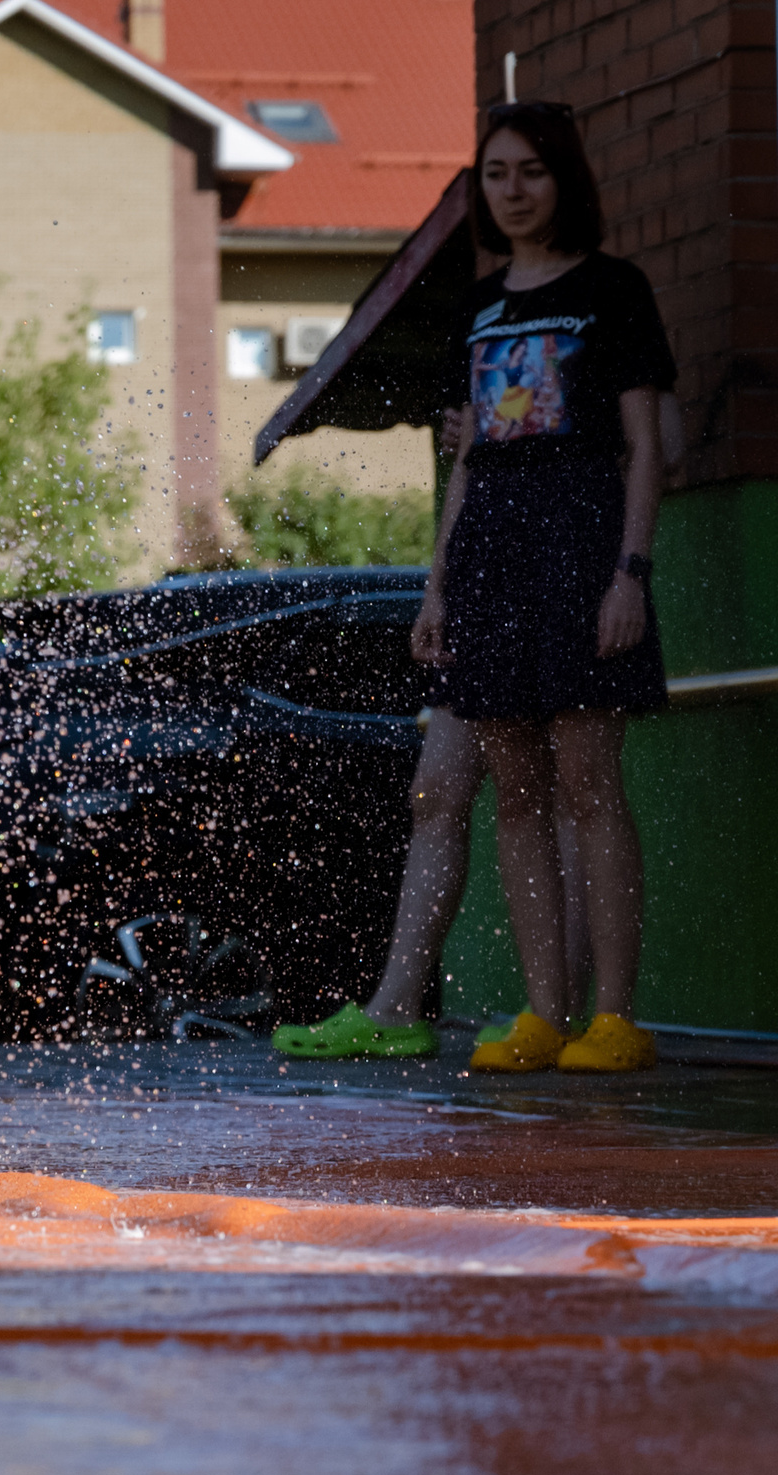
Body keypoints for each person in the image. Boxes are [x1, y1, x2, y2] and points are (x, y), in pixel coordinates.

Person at [411, 102, 674, 1075]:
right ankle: (543, 1014)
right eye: (493, 175)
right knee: (513, 795)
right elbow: (469, 463)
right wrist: (436, 590)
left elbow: (646, 448)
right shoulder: (477, 306)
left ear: (562, 179)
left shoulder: (614, 289)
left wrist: (630, 573)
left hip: (582, 552)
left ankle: (612, 1018)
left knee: (588, 785)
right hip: (488, 565)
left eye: (528, 171)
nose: (511, 191)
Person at [273, 705, 589, 1060]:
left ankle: (561, 1010)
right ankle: (395, 1009)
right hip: (482, 649)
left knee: (565, 789)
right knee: (435, 792)